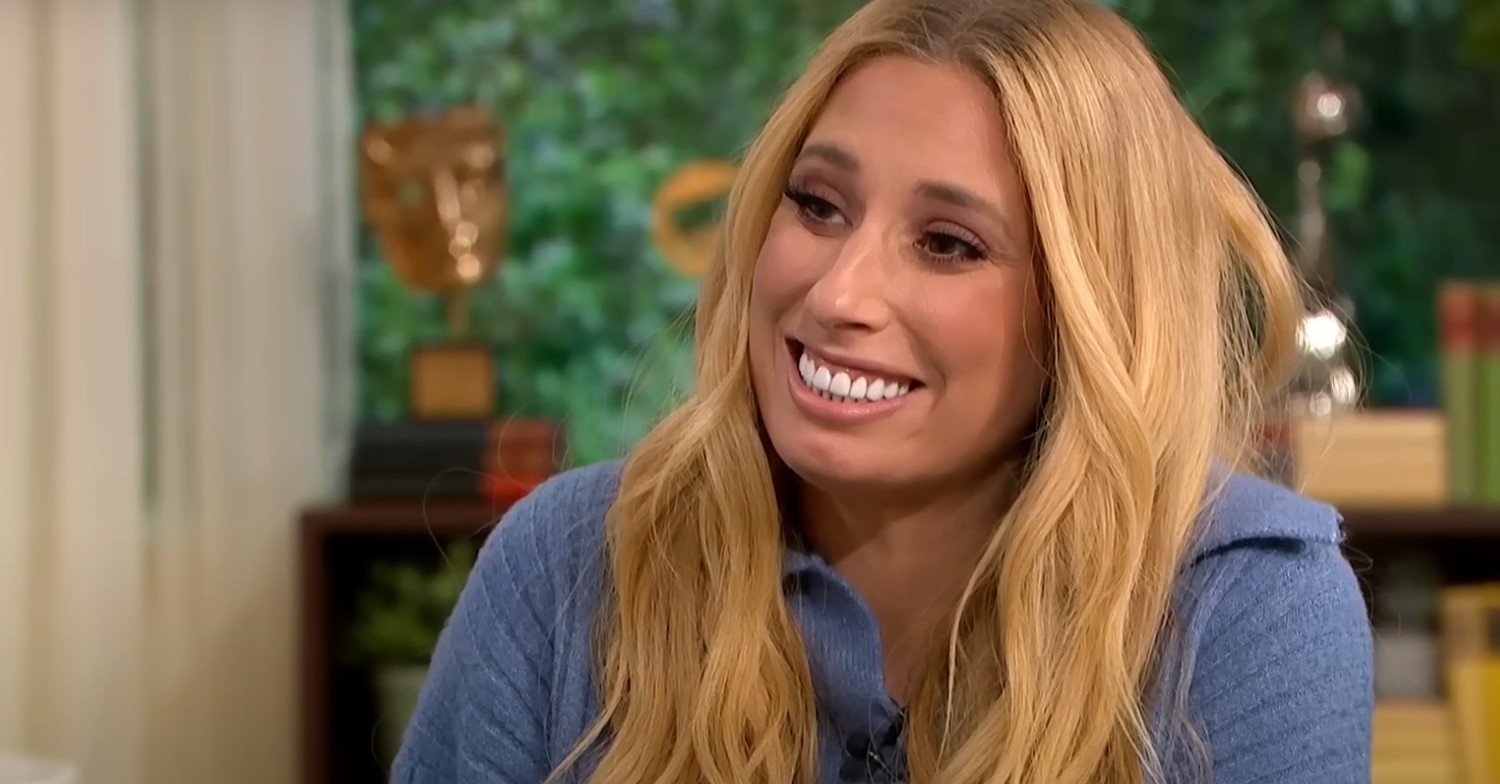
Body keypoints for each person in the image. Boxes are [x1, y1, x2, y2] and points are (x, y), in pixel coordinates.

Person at [391, 0, 1374, 781]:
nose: (836, 294)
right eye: (818, 205)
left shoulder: (1247, 607)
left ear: (1089, 313)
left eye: (947, 243)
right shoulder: (571, 565)